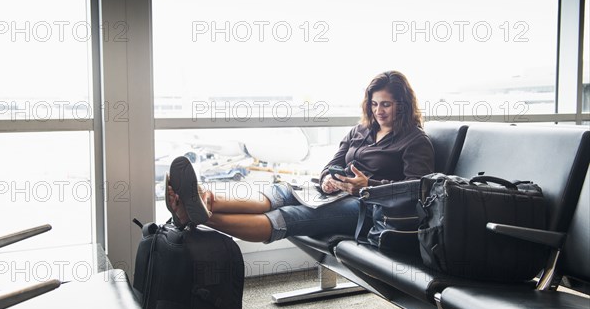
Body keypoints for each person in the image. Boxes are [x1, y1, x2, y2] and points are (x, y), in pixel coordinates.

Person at [165, 71, 434, 243]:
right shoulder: (361, 130)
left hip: (366, 208)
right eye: (374, 104)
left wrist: (367, 187)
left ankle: (198, 214)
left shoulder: (415, 141)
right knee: (279, 193)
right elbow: (333, 163)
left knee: (289, 214)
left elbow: (416, 191)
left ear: (403, 104)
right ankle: (204, 199)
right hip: (332, 192)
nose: (379, 111)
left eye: (386, 104)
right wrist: (329, 177)